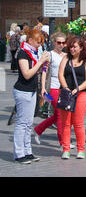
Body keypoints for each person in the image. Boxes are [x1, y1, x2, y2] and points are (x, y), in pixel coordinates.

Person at [13, 29, 50, 164]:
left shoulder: (34, 52)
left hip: (32, 90)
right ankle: (19, 153)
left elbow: (38, 71)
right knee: (22, 123)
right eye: (37, 43)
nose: (39, 46)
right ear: (30, 41)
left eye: (41, 43)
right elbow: (27, 74)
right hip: (23, 91)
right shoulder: (23, 53)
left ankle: (28, 151)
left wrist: (43, 64)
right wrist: (40, 62)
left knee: (29, 123)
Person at [58, 35, 86, 159]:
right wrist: (66, 87)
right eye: (71, 47)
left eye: (75, 47)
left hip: (81, 94)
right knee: (66, 123)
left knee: (78, 123)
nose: (72, 49)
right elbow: (61, 74)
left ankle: (81, 149)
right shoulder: (65, 59)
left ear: (81, 48)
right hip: (66, 93)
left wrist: (78, 89)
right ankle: (66, 149)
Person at [33, 32, 67, 147]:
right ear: (54, 43)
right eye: (59, 42)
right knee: (59, 114)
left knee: (59, 114)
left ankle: (38, 129)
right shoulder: (49, 55)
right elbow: (44, 72)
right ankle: (63, 142)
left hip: (63, 88)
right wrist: (43, 88)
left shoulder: (66, 56)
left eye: (63, 43)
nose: (61, 45)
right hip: (52, 87)